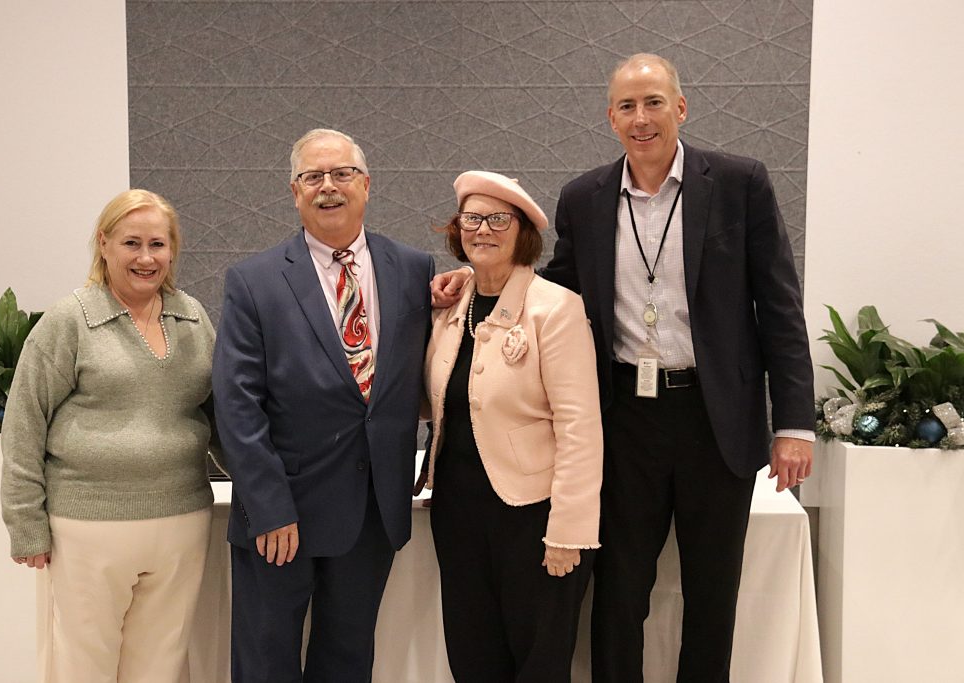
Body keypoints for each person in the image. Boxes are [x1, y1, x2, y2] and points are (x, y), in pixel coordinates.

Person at [432, 53, 815, 682]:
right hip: (624, 421)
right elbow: (556, 289)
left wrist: (794, 421)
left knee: (712, 593)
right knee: (618, 593)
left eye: (654, 103)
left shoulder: (740, 182)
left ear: (680, 108)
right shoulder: (585, 196)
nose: (642, 118)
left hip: (716, 420)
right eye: (628, 107)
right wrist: (474, 280)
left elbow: (778, 303)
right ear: (611, 118)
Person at [212, 128, 434, 682]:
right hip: (281, 514)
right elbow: (236, 404)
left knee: (348, 660)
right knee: (267, 663)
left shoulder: (414, 269)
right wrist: (268, 506)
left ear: (366, 185)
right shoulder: (254, 280)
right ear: (294, 191)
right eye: (313, 177)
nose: (328, 187)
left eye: (341, 175)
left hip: (369, 511)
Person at [1, 189, 217, 682]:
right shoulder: (69, 320)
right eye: (131, 243)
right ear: (104, 244)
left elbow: (221, 414)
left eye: (158, 245)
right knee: (84, 665)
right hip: (88, 525)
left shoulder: (193, 317)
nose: (146, 258)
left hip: (181, 522)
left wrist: (262, 485)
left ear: (173, 250)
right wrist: (25, 523)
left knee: (160, 666)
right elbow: (24, 422)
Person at [422, 171, 602, 682]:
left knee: (538, 664)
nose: (483, 229)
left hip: (534, 518)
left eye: (499, 218)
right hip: (458, 514)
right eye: (472, 218)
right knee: (472, 657)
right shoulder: (449, 306)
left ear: (522, 231)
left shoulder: (556, 308)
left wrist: (570, 531)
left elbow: (580, 428)